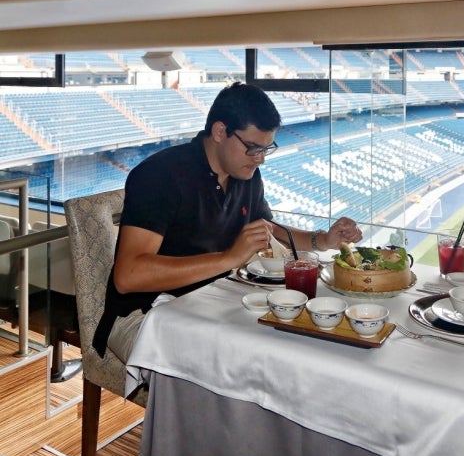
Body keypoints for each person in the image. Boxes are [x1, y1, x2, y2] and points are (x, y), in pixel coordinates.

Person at [93, 82, 362, 362]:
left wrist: (323, 240)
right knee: (247, 361)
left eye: (266, 149)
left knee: (290, 349)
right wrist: (229, 258)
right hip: (144, 315)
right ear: (220, 132)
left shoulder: (246, 174)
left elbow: (269, 229)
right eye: (253, 148)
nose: (260, 160)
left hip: (210, 302)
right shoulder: (161, 175)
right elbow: (128, 276)